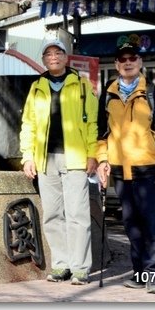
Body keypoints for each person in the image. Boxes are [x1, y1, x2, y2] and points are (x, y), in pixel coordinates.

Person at [96, 42, 155, 295]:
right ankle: (140, 273)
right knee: (131, 224)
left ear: (140, 62)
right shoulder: (108, 95)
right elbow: (101, 134)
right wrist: (102, 160)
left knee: (152, 224)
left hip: (148, 170)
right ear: (117, 65)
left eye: (132, 58)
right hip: (121, 171)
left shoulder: (153, 93)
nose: (128, 62)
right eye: (123, 60)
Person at [19, 39, 99, 285]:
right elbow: (28, 125)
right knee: (53, 215)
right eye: (48, 53)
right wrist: (28, 156)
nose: (53, 57)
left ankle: (80, 268)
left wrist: (93, 154)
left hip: (74, 158)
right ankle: (61, 265)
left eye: (58, 52)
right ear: (43, 60)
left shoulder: (83, 86)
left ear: (66, 57)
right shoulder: (36, 87)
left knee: (78, 214)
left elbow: (92, 123)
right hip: (46, 160)